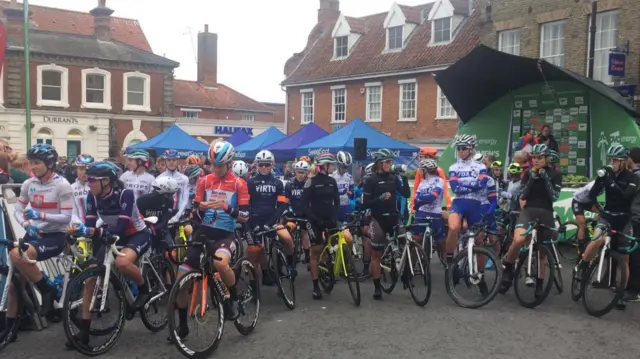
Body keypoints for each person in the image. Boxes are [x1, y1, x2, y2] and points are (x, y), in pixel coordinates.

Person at [68, 161, 152, 346]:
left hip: (136, 234)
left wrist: (93, 232)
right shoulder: (92, 196)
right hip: (111, 235)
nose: (88, 183)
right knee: (90, 279)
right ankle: (84, 331)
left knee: (122, 263)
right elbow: (90, 225)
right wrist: (79, 231)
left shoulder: (125, 194)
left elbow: (122, 227)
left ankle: (144, 289)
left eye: (91, 179)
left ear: (106, 181)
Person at [177, 141, 249, 336]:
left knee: (222, 264)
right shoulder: (204, 181)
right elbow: (195, 213)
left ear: (229, 163)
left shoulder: (238, 183)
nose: (215, 169)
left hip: (226, 233)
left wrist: (226, 208)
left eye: (220, 165)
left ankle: (233, 298)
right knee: (181, 278)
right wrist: (200, 209)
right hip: (204, 231)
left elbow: (245, 216)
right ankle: (182, 325)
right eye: (212, 165)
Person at [12, 144, 73, 326]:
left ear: (50, 163)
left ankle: (47, 290)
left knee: (17, 254)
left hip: (55, 236)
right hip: (35, 233)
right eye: (30, 163)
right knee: (15, 285)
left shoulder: (62, 185)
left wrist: (40, 215)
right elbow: (17, 209)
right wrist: (25, 224)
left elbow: (66, 218)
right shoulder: (28, 184)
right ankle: (9, 327)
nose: (32, 167)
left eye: (36, 163)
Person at [579, 144, 637, 309]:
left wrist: (610, 182)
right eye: (610, 160)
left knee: (624, 258)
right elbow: (591, 195)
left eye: (615, 160)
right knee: (596, 239)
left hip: (624, 219)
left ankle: (619, 293)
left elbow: (626, 196)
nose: (611, 163)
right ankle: (584, 265)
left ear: (623, 161)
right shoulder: (607, 174)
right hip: (608, 216)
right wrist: (599, 182)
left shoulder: (632, 177)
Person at [501, 144, 562, 296]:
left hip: (546, 211)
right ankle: (508, 267)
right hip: (529, 210)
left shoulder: (555, 175)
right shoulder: (528, 173)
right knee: (519, 240)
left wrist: (545, 178)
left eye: (539, 158)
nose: (535, 161)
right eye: (534, 158)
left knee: (541, 252)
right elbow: (522, 195)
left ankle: (540, 283)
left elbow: (554, 196)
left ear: (547, 159)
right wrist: (532, 179)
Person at [362, 149, 410, 300]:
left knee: (406, 244)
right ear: (379, 164)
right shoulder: (370, 180)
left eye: (391, 162)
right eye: (387, 162)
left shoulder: (394, 178)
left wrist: (405, 179)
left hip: (394, 217)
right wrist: (380, 199)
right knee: (376, 254)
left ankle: (406, 274)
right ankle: (377, 288)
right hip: (378, 219)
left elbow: (406, 194)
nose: (390, 164)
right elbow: (365, 203)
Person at [246, 150, 296, 283]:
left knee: (287, 239)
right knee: (257, 251)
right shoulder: (250, 183)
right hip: (255, 220)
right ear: (256, 165)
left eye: (267, 164)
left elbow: (281, 206)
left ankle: (290, 265)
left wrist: (271, 222)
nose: (264, 167)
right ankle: (262, 275)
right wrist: (253, 222)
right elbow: (246, 205)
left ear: (272, 165)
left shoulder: (278, 183)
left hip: (272, 219)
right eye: (261, 164)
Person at [301, 153, 342, 299]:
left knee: (334, 244)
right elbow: (304, 205)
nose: (333, 167)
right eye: (331, 165)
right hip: (315, 220)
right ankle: (316, 286)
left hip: (329, 219)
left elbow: (336, 202)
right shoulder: (311, 182)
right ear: (324, 166)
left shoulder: (332, 181)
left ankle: (328, 264)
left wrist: (334, 217)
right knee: (316, 250)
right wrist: (315, 220)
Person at [445, 135, 487, 273]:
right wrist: (472, 184)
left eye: (464, 148)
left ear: (471, 149)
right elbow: (455, 187)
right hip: (459, 203)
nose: (461, 151)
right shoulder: (453, 167)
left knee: (480, 241)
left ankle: (480, 275)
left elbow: (482, 184)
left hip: (476, 204)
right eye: (459, 148)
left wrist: (464, 184)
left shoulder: (481, 166)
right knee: (453, 228)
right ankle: (449, 260)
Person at [136, 176, 179, 252]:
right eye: (168, 194)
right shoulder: (142, 200)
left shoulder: (169, 201)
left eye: (171, 194)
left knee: (171, 253)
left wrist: (152, 229)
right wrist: (145, 229)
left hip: (161, 230)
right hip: (143, 229)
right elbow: (137, 218)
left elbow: (164, 220)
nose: (170, 197)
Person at [413, 159, 445, 257]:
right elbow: (415, 201)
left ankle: (447, 265)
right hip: (422, 213)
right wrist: (421, 200)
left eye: (421, 170)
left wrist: (420, 199)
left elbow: (432, 197)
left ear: (425, 170)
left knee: (441, 242)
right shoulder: (422, 183)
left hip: (435, 213)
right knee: (416, 240)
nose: (420, 172)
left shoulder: (440, 181)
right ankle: (410, 268)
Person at [285, 160, 312, 264]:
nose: (300, 175)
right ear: (295, 172)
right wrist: (288, 210)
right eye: (298, 172)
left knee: (304, 233)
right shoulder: (290, 184)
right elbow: (287, 200)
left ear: (307, 173)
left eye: (303, 172)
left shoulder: (310, 183)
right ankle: (291, 253)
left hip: (305, 212)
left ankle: (307, 255)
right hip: (293, 211)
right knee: (288, 230)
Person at [411, 146, 451, 213]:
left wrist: (448, 204)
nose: (420, 159)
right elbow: (416, 188)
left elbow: (445, 188)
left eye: (421, 157)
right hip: (421, 205)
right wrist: (413, 205)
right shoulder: (419, 170)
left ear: (428, 157)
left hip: (434, 205)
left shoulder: (439, 170)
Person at [157, 150, 189, 225]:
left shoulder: (184, 178)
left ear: (178, 161)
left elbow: (185, 200)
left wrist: (178, 216)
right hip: (164, 214)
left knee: (187, 232)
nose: (171, 162)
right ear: (165, 161)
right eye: (168, 160)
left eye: (174, 160)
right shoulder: (159, 178)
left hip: (179, 213)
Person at [626, 147, 640, 301]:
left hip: (636, 218)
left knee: (635, 254)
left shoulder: (635, 176)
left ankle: (634, 290)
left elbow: (627, 196)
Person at [571, 180, 597, 253]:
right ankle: (581, 248)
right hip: (578, 201)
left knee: (602, 212)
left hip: (587, 201)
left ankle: (592, 225)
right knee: (582, 224)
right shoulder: (593, 185)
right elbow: (593, 197)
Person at [332, 151, 355, 227]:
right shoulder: (332, 176)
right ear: (338, 164)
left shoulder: (349, 177)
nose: (345, 168)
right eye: (344, 166)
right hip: (335, 207)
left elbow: (352, 194)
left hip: (346, 206)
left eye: (347, 166)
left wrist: (351, 193)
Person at [70, 154, 95, 224]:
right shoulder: (71, 188)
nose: (84, 172)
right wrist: (80, 226)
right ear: (76, 169)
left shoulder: (97, 186)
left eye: (87, 169)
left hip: (96, 227)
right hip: (79, 227)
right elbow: (72, 211)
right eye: (81, 168)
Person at [182, 165, 203, 239]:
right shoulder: (186, 185)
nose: (190, 181)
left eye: (191, 179)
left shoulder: (201, 184)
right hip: (186, 212)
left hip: (197, 211)